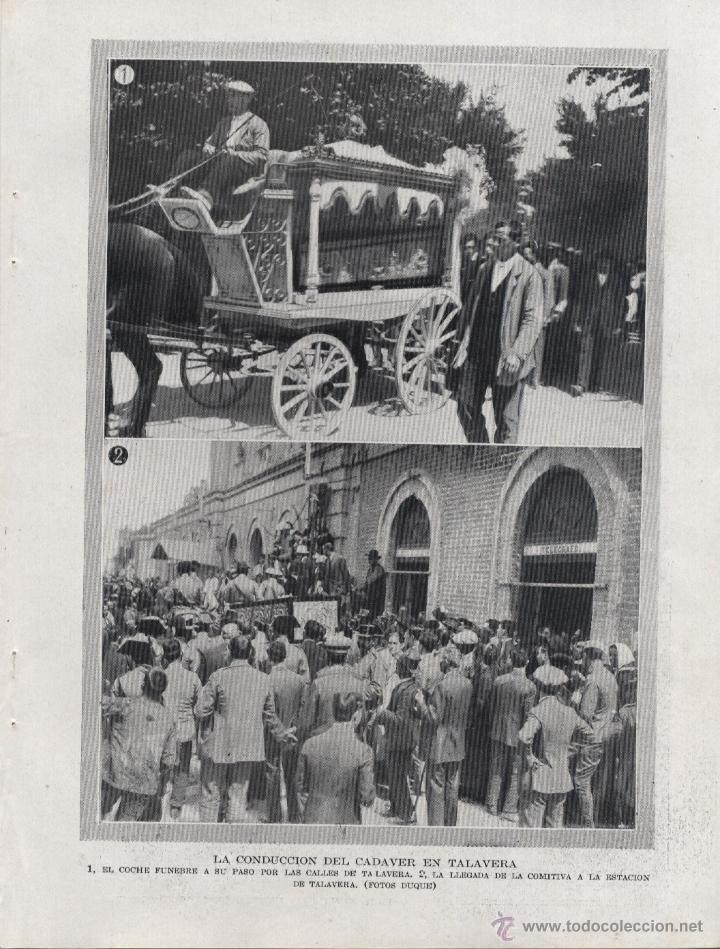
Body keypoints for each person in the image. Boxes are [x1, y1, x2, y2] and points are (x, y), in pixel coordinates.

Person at [453, 220, 543, 444]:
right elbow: (471, 310)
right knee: (465, 407)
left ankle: (500, 453)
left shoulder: (529, 275)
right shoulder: (485, 269)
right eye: (493, 237)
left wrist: (517, 352)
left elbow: (532, 319)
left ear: (515, 243)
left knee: (506, 421)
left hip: (507, 358)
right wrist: (463, 344)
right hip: (477, 355)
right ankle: (480, 447)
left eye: (500, 239)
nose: (492, 242)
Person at [193, 635, 295, 823]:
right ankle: (232, 839)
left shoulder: (218, 676)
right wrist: (282, 734)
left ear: (230, 652)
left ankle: (206, 839)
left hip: (219, 745)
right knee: (237, 796)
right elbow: (270, 715)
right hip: (247, 746)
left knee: (211, 794)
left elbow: (200, 711)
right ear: (249, 653)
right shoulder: (263, 679)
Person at [176, 80, 270, 216]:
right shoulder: (224, 122)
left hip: (242, 169)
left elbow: (261, 156)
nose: (229, 101)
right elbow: (210, 143)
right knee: (189, 155)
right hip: (220, 164)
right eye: (229, 96)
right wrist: (208, 147)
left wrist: (234, 153)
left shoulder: (259, 124)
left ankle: (206, 195)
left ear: (246, 99)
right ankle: (170, 188)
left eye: (233, 96)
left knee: (229, 159)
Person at [518, 665, 594, 827]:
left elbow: (524, 737)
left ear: (539, 687)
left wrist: (530, 757)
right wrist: (570, 750)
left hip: (539, 779)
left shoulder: (538, 711)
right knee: (553, 830)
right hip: (561, 779)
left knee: (529, 830)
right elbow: (591, 735)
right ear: (559, 689)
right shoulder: (570, 712)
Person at [101, 669, 176, 821]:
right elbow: (169, 759)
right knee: (126, 822)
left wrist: (106, 688)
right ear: (163, 690)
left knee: (100, 812)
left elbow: (99, 704)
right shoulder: (168, 718)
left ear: (142, 685)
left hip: (115, 773)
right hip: (144, 781)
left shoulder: (125, 705)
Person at [296, 692, 375, 824]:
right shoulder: (364, 751)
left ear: (333, 711)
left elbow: (300, 788)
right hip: (346, 824)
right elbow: (366, 797)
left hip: (313, 821)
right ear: (356, 715)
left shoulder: (309, 744)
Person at [416, 648, 473, 826]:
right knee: (452, 787)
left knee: (436, 789)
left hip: (439, 745)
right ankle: (450, 825)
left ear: (447, 662)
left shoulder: (442, 685)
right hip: (458, 743)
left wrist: (422, 703)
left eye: (442, 659)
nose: (440, 662)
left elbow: (434, 718)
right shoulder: (467, 684)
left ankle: (436, 828)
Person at [485, 648, 535, 821]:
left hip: (497, 730)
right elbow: (528, 714)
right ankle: (509, 808)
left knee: (496, 769)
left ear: (511, 661)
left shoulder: (499, 681)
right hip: (517, 734)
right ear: (527, 663)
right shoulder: (530, 686)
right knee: (515, 772)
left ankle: (492, 805)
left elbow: (491, 706)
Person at [573, 641, 619, 827]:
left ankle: (587, 824)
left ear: (588, 657)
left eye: (583, 657)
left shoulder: (593, 679)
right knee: (597, 782)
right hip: (606, 735)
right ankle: (593, 819)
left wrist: (576, 696)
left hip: (593, 736)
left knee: (581, 781)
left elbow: (585, 713)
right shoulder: (610, 677)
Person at [372, 654, 420, 823]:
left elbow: (400, 720)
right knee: (394, 774)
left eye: (398, 665)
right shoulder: (408, 686)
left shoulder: (406, 691)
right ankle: (395, 807)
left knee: (398, 776)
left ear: (404, 668)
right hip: (401, 738)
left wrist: (381, 713)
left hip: (400, 739)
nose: (395, 668)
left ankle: (406, 813)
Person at [571, 252, 625, 397]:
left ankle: (595, 383)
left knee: (600, 354)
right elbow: (579, 301)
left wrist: (619, 324)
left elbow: (621, 305)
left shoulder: (616, 282)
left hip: (606, 323)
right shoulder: (588, 279)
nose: (604, 264)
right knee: (584, 351)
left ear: (611, 264)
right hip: (588, 320)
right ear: (598, 262)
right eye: (602, 261)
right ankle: (581, 384)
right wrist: (576, 321)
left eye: (607, 262)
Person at [265, 640, 306, 823]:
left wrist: (280, 731)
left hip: (271, 735)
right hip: (293, 734)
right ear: (285, 656)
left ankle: (275, 817)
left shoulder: (265, 681)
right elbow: (304, 708)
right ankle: (295, 816)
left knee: (272, 775)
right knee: (292, 775)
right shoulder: (298, 680)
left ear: (269, 657)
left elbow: (268, 713)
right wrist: (293, 727)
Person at [161, 638, 202, 819]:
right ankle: (176, 804)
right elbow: (199, 705)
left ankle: (159, 795)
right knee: (183, 768)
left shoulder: (159, 676)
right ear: (181, 655)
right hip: (185, 729)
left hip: (165, 730)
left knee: (162, 765)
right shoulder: (193, 678)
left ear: (164, 656)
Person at [300, 633, 368, 737]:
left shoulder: (319, 683)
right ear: (346, 656)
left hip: (322, 740)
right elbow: (362, 720)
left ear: (327, 655)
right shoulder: (359, 683)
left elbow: (307, 721)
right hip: (350, 742)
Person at [522, 240, 555, 387]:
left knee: (537, 348)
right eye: (525, 255)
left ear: (535, 255)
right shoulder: (524, 272)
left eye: (529, 254)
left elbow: (549, 298)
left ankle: (534, 378)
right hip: (524, 314)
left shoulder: (545, 274)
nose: (526, 257)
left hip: (538, 316)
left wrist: (544, 317)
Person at [271, 615, 310, 683]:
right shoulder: (298, 652)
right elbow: (306, 680)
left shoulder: (264, 651)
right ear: (290, 631)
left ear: (275, 631)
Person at [357, 549, 387, 619]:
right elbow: (366, 583)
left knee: (373, 620)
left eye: (371, 558)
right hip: (370, 601)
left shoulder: (379, 569)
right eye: (369, 558)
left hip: (377, 601)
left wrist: (360, 587)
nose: (369, 560)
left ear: (376, 559)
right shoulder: (370, 570)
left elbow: (370, 580)